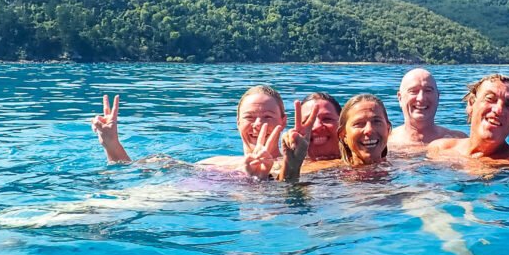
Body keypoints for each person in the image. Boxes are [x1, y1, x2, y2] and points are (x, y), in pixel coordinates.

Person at [90, 85, 312, 181]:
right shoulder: (213, 161)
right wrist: (112, 144)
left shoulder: (296, 167)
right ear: (237, 123)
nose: (257, 125)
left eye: (267, 118)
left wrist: (270, 178)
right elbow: (127, 175)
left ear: (283, 121)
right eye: (249, 117)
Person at [388, 68, 465, 152]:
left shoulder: (458, 141)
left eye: (428, 91)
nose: (421, 98)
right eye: (413, 91)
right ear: (400, 98)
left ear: (438, 97)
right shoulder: (385, 141)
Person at [299, 92, 342, 161]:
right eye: (308, 121)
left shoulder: (361, 160)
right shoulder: (282, 164)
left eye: (327, 119)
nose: (317, 126)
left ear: (343, 124)